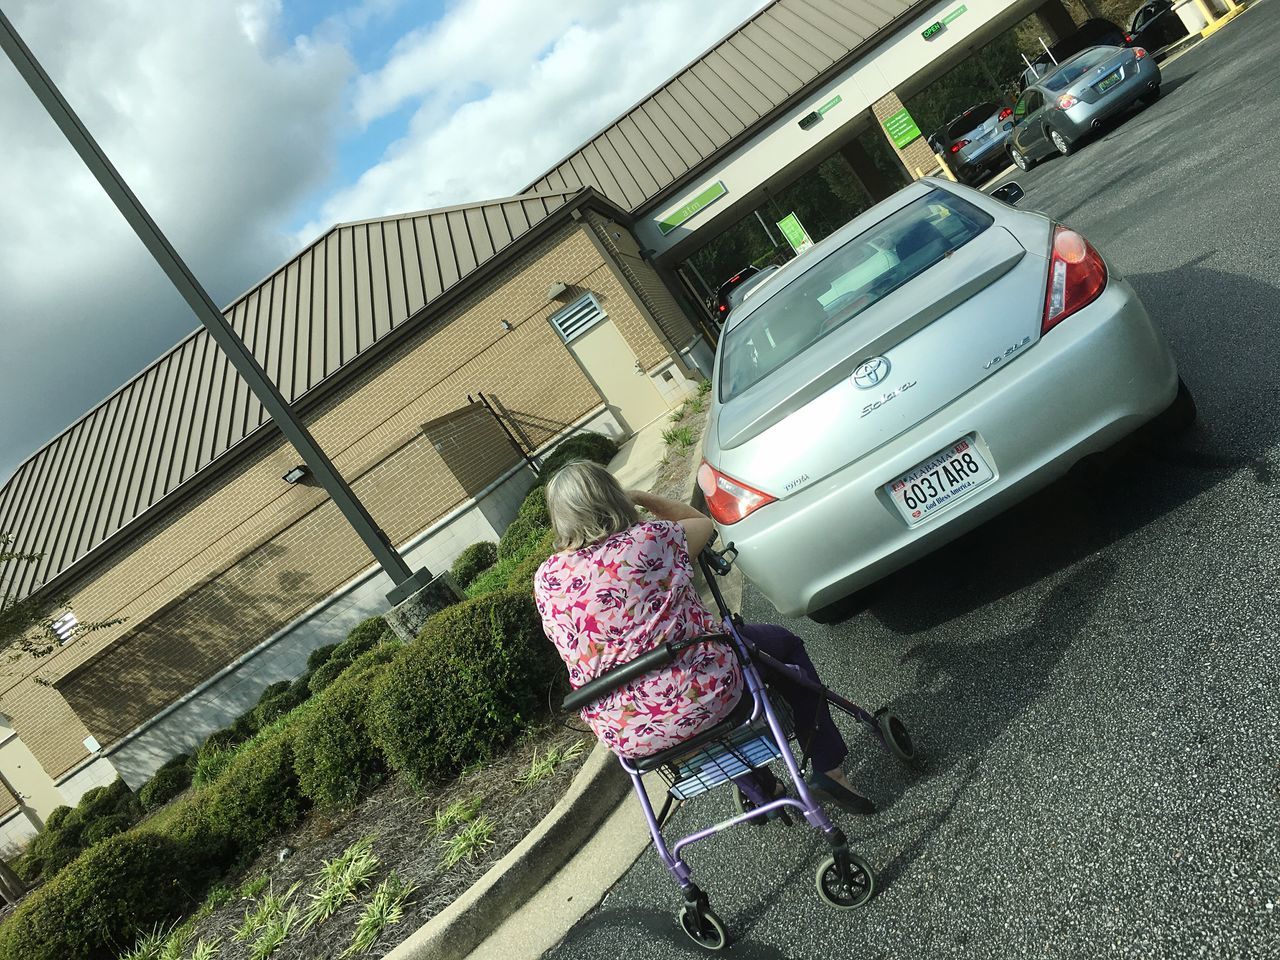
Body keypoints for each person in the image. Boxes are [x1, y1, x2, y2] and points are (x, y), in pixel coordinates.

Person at [532, 459, 874, 814]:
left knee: (687, 726)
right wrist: (640, 496)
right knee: (780, 649)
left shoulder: (546, 580)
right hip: (704, 693)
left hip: (627, 731)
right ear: (611, 497)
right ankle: (828, 767)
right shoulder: (649, 541)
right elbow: (701, 523)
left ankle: (763, 792)